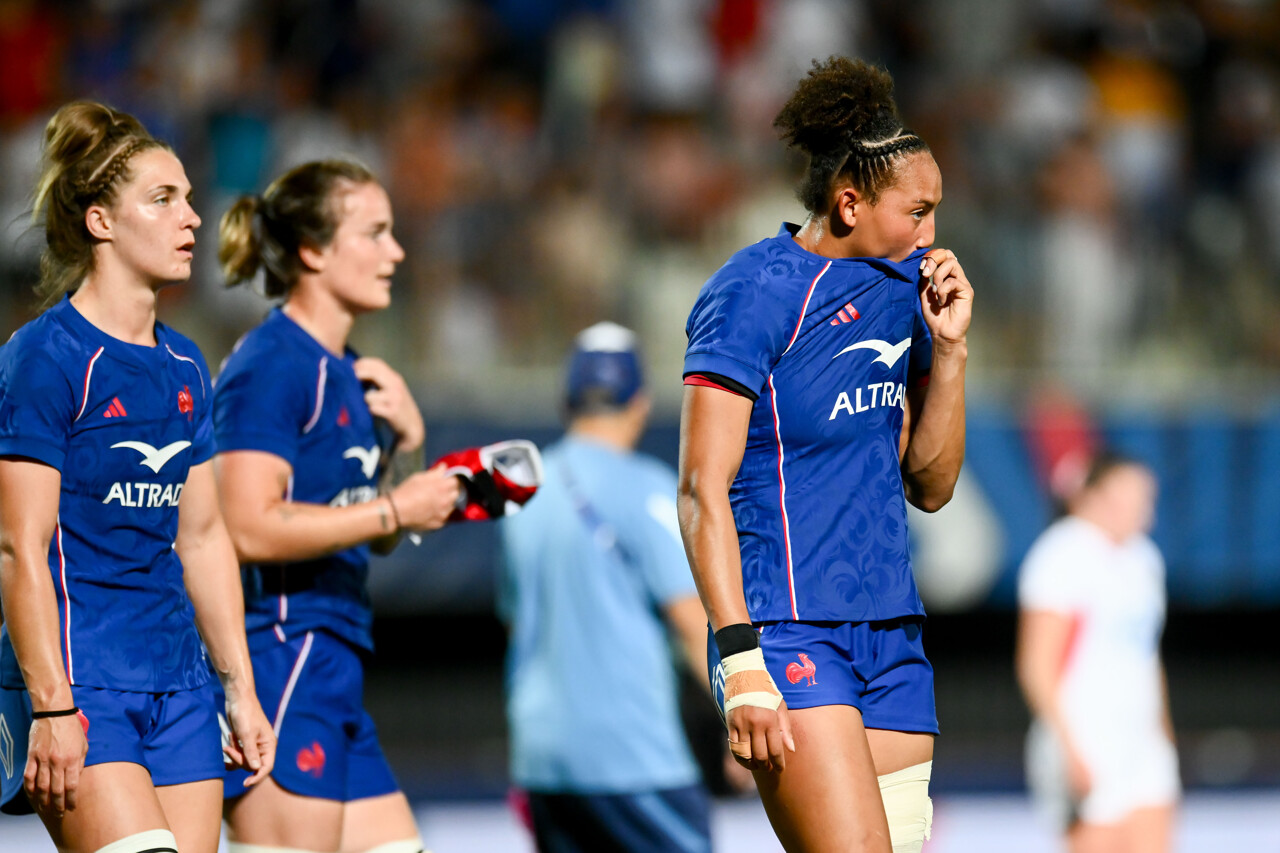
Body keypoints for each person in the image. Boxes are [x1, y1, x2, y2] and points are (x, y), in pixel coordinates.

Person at [678, 57, 973, 853]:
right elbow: (701, 488)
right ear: (850, 202)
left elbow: (933, 486)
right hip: (788, 630)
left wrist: (948, 354)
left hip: (893, 639)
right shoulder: (754, 292)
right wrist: (739, 656)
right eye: (919, 210)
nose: (932, 233)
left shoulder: (906, 293)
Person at [0, 101, 275, 853]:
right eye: (164, 199)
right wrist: (51, 707)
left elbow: (205, 535)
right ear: (100, 222)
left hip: (181, 685)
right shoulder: (46, 357)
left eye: (189, 197)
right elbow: (22, 547)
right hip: (83, 683)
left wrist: (240, 691)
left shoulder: (186, 363)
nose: (192, 217)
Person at [213, 159, 461, 853]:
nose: (397, 252)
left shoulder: (349, 368)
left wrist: (406, 449)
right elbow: (247, 525)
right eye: (376, 233)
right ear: (313, 250)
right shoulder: (273, 364)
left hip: (333, 662)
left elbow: (367, 531)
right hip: (280, 656)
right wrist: (394, 509)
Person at [499, 322, 714, 853]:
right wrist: (744, 725)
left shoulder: (522, 496)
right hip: (634, 758)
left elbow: (515, 621)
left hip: (544, 760)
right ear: (639, 402)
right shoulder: (648, 489)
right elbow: (693, 624)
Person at [1016, 452, 1179, 853]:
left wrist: (1163, 736)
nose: (1145, 512)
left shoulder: (1143, 558)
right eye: (1132, 498)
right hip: (1087, 740)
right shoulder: (1061, 555)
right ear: (1093, 497)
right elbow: (1037, 665)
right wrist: (1070, 749)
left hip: (1141, 743)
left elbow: (1146, 655)